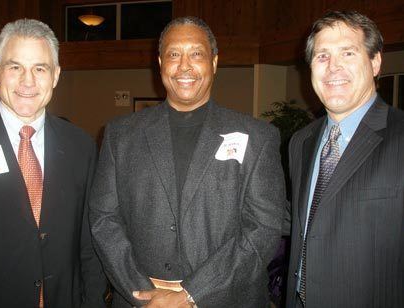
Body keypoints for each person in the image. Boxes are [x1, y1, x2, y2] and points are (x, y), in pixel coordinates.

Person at [90, 16, 286, 307]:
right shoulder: (120, 135)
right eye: (173, 54)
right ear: (160, 63)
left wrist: (191, 294)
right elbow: (103, 221)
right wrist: (143, 294)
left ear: (214, 63)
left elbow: (264, 228)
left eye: (196, 54)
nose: (184, 66)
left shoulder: (258, 137)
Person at [0, 19, 107, 308]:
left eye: (40, 68)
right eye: (15, 67)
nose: (28, 81)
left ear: (56, 75)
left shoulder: (81, 146)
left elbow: (90, 247)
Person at [285, 11, 404, 308]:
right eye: (322, 56)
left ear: (375, 62)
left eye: (347, 53)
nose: (333, 67)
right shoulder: (301, 143)